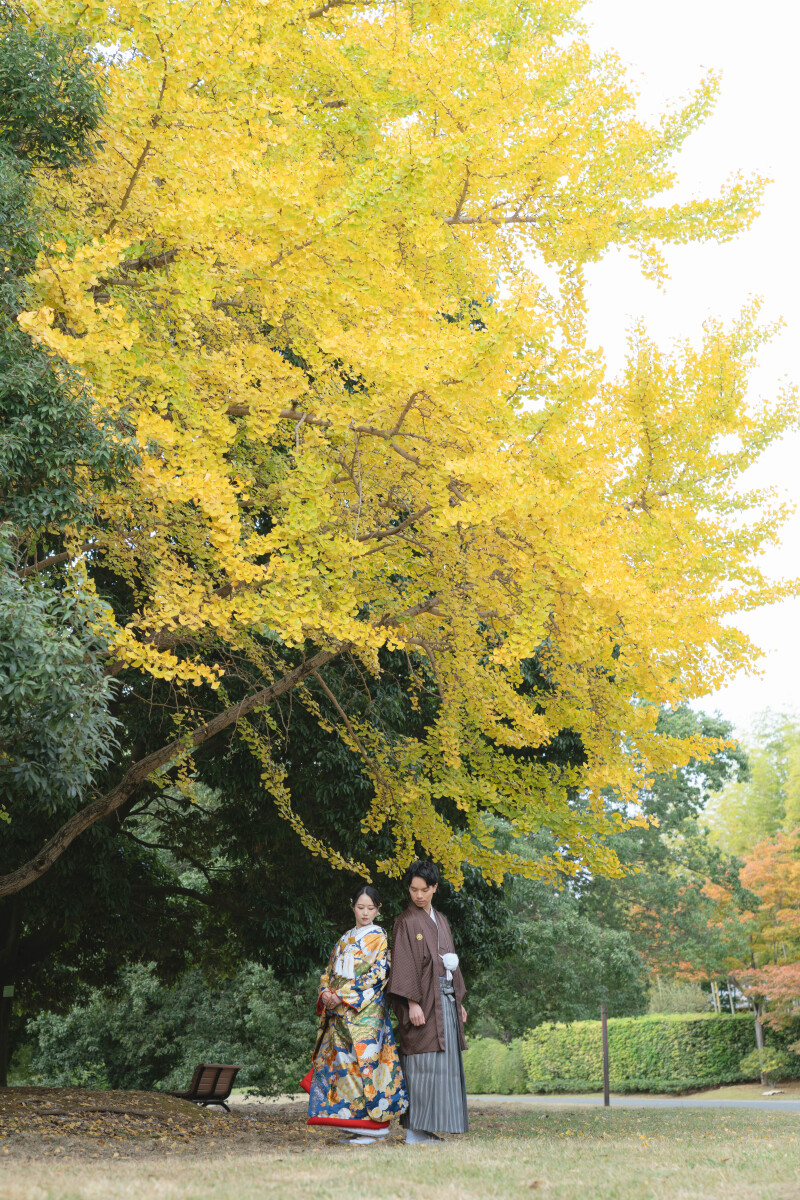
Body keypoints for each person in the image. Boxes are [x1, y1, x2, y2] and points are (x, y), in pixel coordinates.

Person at [304, 884, 408, 1145]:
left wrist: (344, 995)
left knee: (367, 1067)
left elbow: (378, 973)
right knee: (344, 1068)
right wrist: (325, 992)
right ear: (353, 906)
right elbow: (328, 970)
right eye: (360, 907)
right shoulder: (344, 938)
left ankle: (375, 1127)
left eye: (370, 908)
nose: (365, 913)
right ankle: (357, 1125)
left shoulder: (380, 936)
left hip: (365, 1013)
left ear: (378, 910)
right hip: (339, 1013)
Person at [387, 860, 469, 1144]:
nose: (418, 895)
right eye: (413, 889)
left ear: (434, 888)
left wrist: (458, 1001)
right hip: (421, 1002)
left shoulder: (441, 920)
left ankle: (426, 1129)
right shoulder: (405, 922)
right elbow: (404, 965)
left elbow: (451, 963)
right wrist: (411, 1003)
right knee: (421, 1062)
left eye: (424, 890)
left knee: (442, 1065)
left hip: (445, 999)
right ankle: (415, 1131)